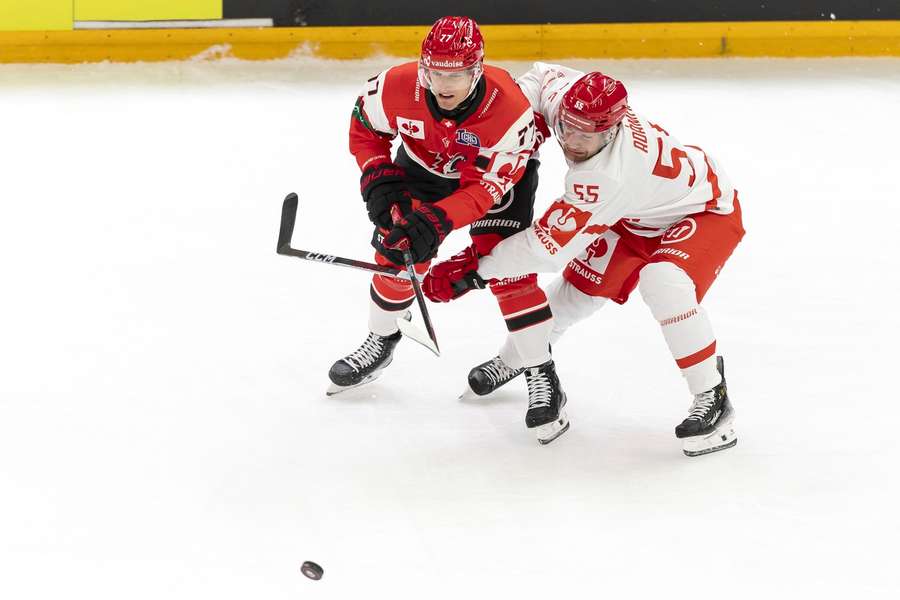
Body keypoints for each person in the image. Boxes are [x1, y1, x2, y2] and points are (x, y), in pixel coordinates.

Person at [423, 62, 745, 456]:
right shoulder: (568, 101)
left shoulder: (608, 178)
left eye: (586, 134)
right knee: (571, 297)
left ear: (612, 130)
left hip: (703, 211)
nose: (572, 141)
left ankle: (713, 396)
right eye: (566, 128)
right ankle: (518, 357)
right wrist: (517, 122)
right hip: (637, 213)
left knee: (664, 282)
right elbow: (540, 76)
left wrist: (473, 269)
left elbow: (543, 248)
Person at [330, 17, 563, 425]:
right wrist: (378, 175)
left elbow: (482, 192)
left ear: (477, 69)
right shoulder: (396, 85)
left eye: (455, 74)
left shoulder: (510, 111)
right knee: (397, 251)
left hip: (493, 178)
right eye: (436, 73)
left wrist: (437, 222)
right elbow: (365, 128)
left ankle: (542, 371)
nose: (444, 85)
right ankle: (382, 338)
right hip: (423, 168)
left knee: (509, 270)